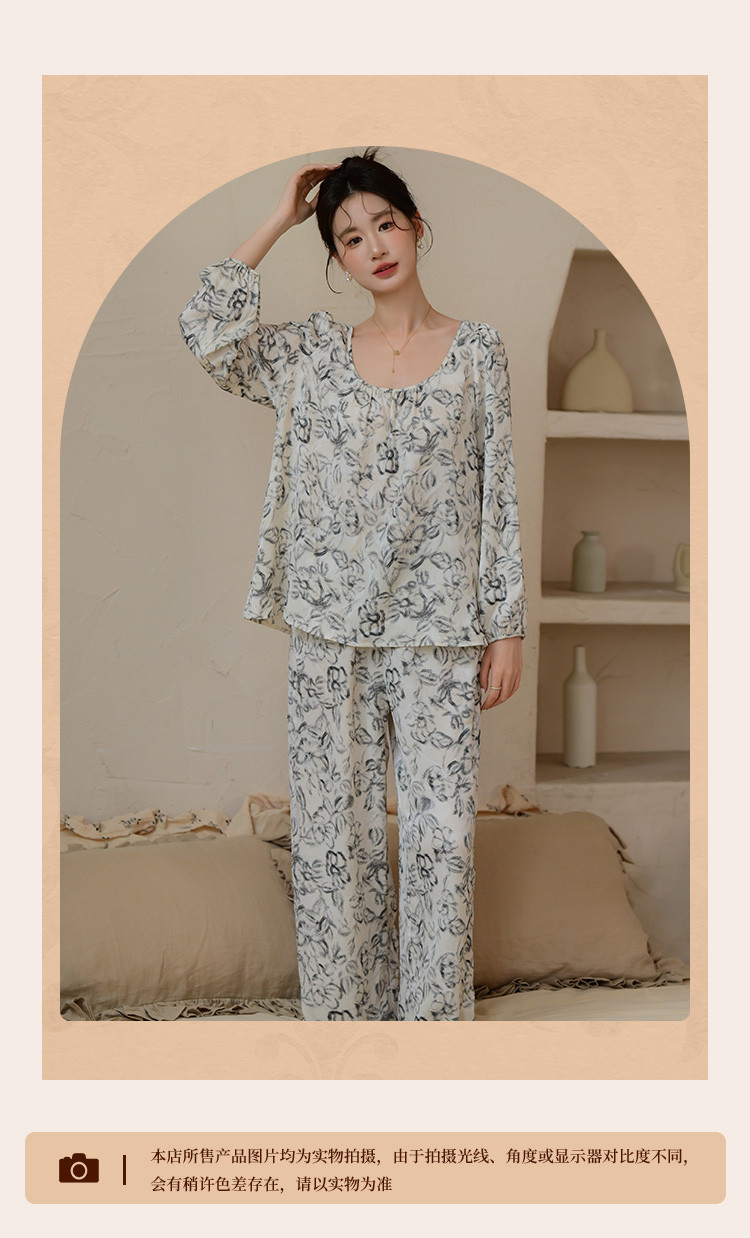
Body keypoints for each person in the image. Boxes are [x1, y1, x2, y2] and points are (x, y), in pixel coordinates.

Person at [179, 149, 526, 1022]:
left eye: (384, 223)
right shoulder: (312, 354)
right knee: (334, 839)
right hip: (328, 633)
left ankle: (431, 1037)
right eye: (349, 237)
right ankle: (345, 1029)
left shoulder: (478, 352)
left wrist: (508, 626)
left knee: (443, 844)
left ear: (415, 226)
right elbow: (207, 331)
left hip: (441, 633)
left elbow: (498, 492)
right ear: (335, 258)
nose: (373, 246)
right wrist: (280, 217)